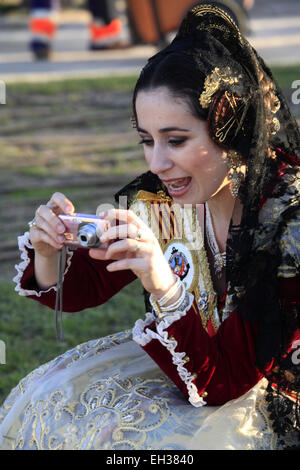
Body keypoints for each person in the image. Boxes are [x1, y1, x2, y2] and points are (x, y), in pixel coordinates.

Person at [0, 3, 299, 450]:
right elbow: (83, 287)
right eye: (146, 140)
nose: (157, 163)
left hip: (275, 394)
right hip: (202, 367)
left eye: (176, 140)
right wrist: (49, 250)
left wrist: (164, 286)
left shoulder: (286, 222)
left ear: (231, 127)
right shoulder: (159, 197)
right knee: (52, 402)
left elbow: (229, 380)